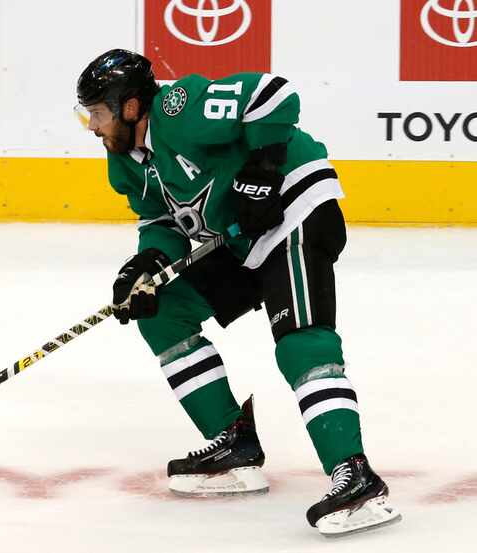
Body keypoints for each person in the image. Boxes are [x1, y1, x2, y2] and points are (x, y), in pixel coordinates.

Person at [75, 49, 401, 536]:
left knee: (299, 341)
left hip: (293, 211)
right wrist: (148, 263)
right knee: (161, 310)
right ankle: (233, 443)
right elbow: (162, 222)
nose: (93, 128)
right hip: (239, 237)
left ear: (129, 105)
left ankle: (355, 475)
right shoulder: (124, 164)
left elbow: (273, 94)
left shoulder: (177, 108)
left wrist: (266, 168)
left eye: (97, 113)